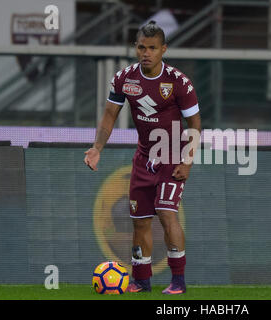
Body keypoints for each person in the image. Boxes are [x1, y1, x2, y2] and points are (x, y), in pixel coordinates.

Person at [84, 21, 201, 295]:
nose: (145, 53)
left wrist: (188, 161)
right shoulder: (124, 79)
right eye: (141, 47)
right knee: (139, 220)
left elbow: (195, 124)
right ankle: (141, 280)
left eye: (151, 48)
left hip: (172, 156)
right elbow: (109, 116)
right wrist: (97, 148)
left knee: (166, 212)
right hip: (144, 159)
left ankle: (179, 281)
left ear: (163, 49)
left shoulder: (178, 82)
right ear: (135, 48)